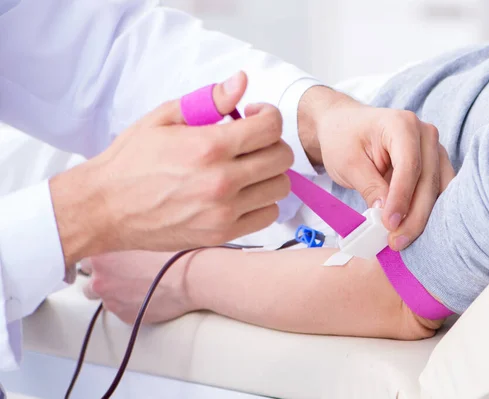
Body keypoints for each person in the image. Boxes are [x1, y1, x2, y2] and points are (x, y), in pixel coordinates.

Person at [84, 0, 489, 340]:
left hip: (305, 210)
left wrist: (177, 276)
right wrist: (324, 117)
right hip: (347, 129)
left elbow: (409, 296)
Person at [0, 1, 449, 369]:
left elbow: (100, 55)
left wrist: (318, 117)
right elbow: (410, 295)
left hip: (359, 127)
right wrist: (82, 217)